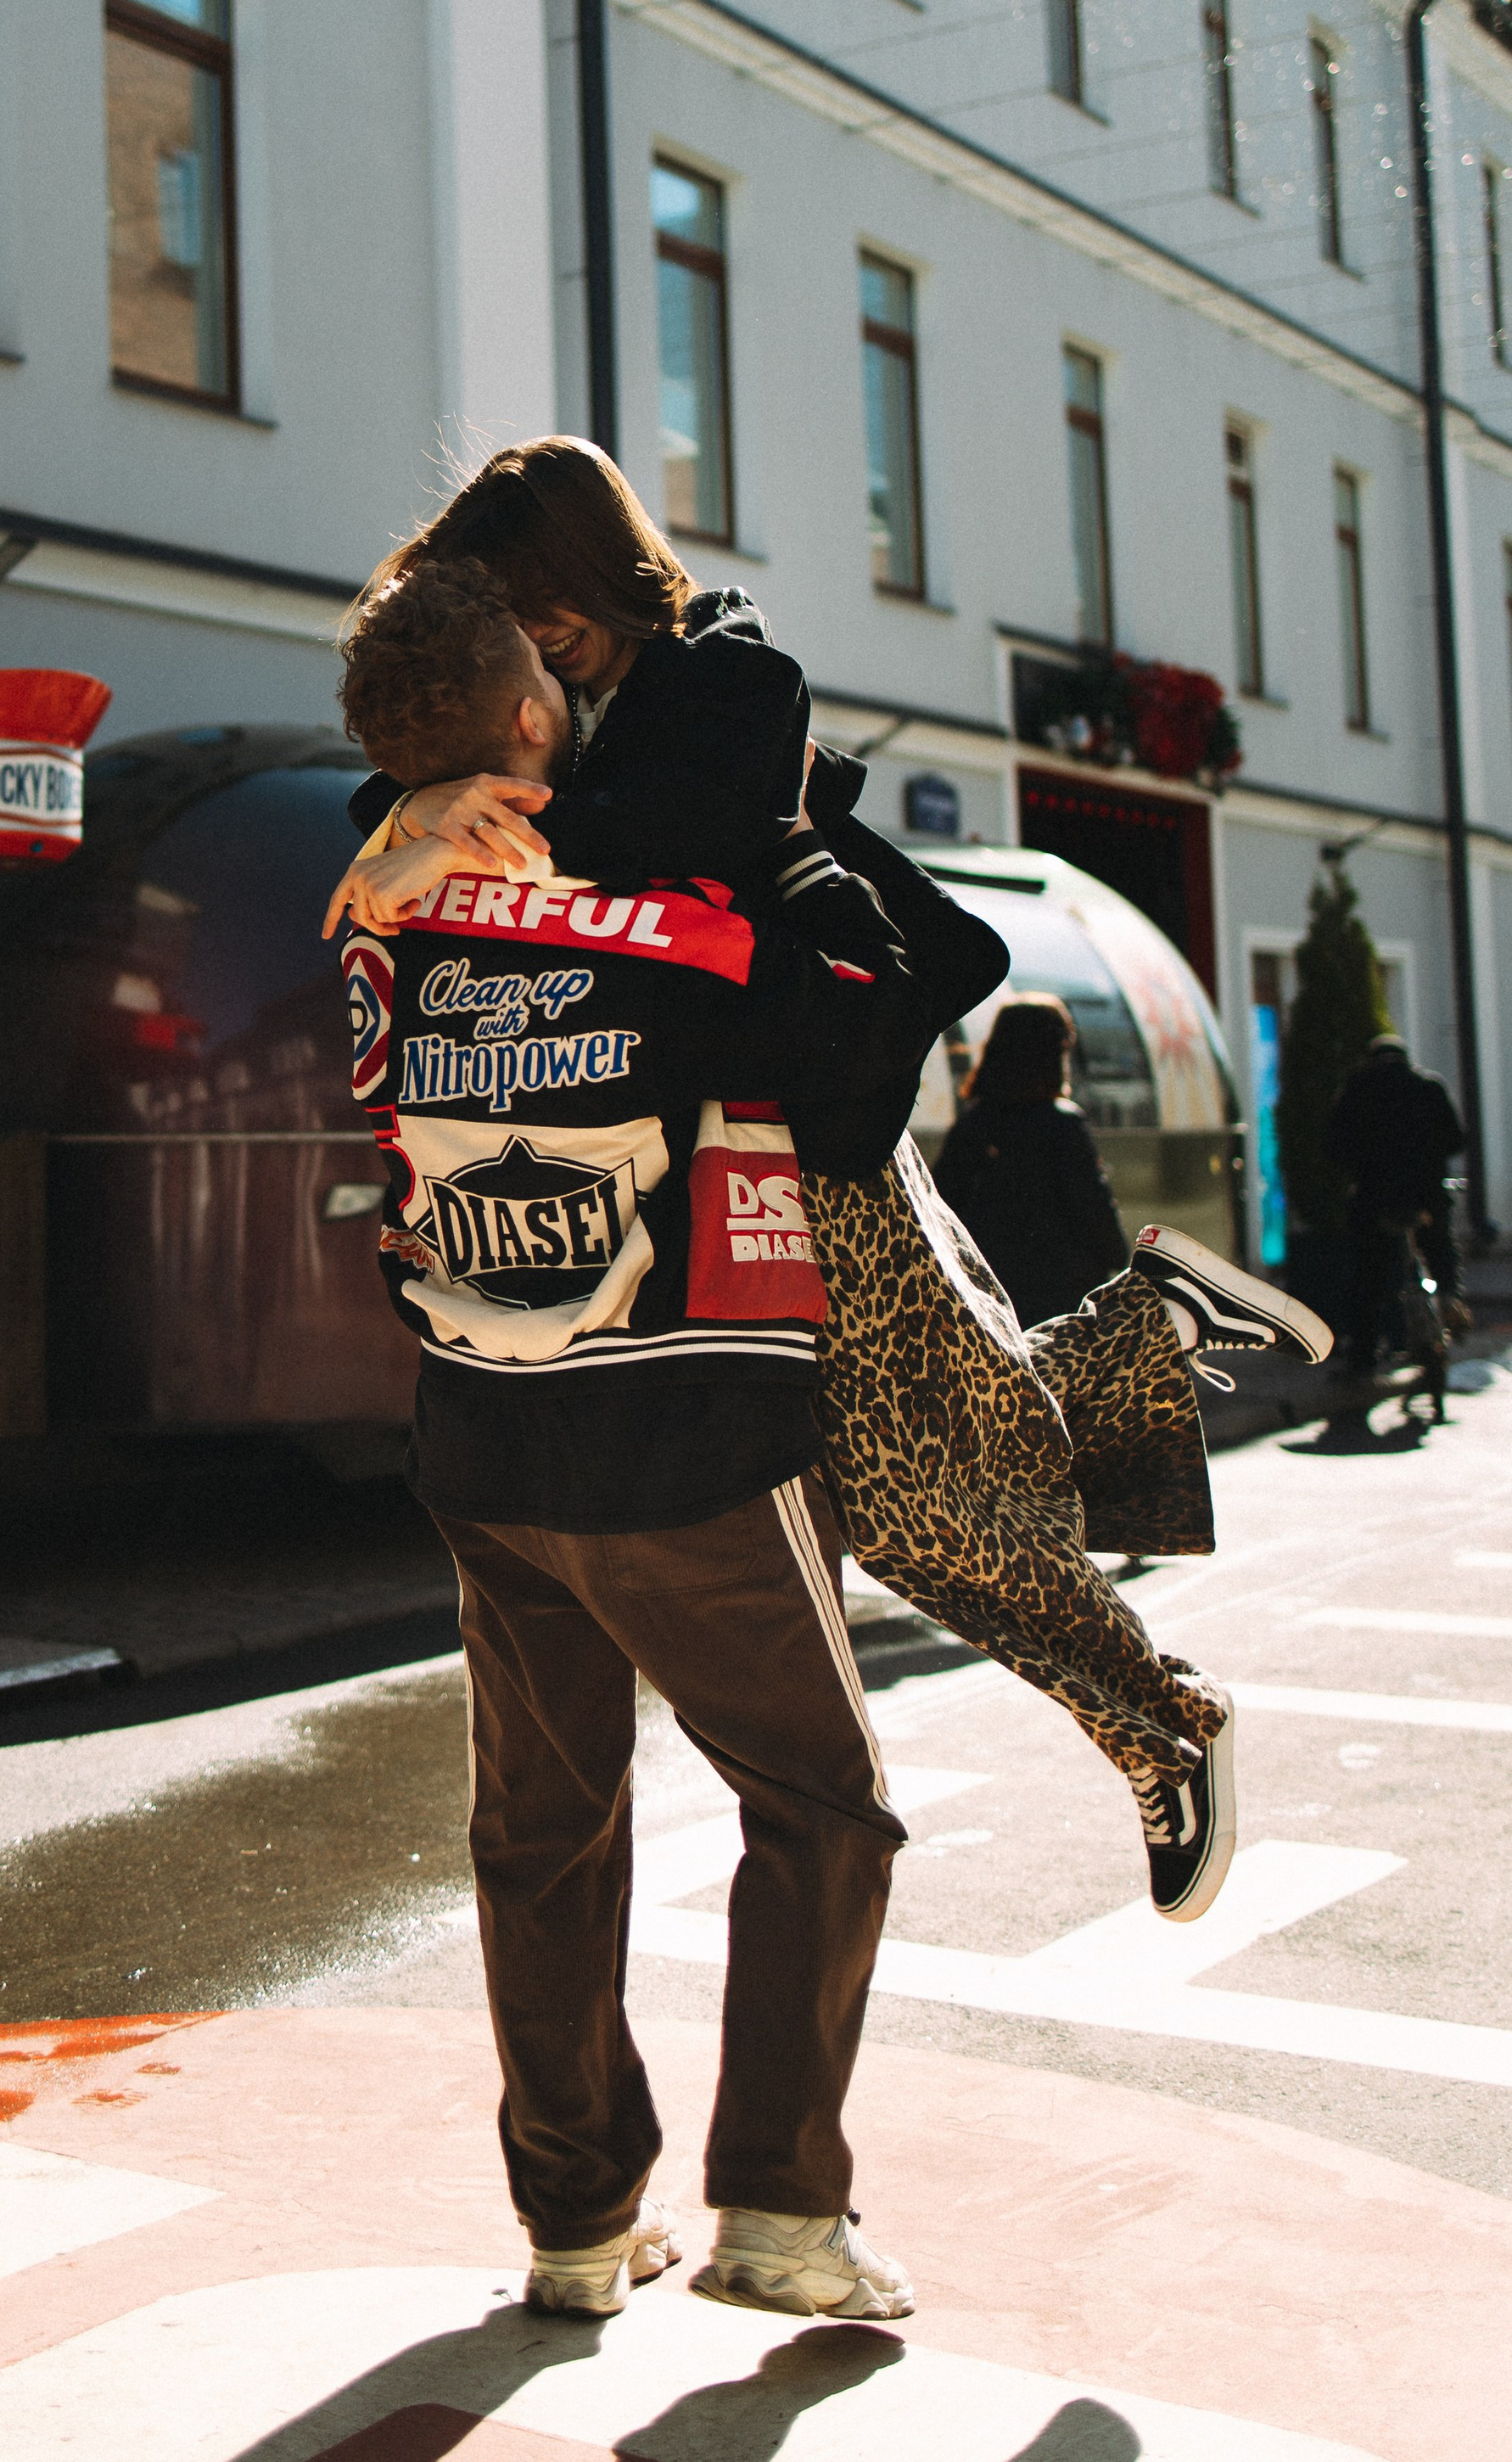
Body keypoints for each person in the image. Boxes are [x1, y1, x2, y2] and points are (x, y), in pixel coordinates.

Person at [328, 438, 1332, 1923]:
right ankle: (1149, 1347)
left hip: (808, 1157)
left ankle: (1164, 1722)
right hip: (700, 1184)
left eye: (513, 609)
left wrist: (443, 835)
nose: (505, 650)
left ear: (571, 601)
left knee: (923, 1506)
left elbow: (619, 875)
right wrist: (409, 818)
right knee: (921, 1470)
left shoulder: (723, 689)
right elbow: (423, 831)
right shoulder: (552, 723)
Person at [337, 554, 938, 2327]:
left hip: (479, 1436)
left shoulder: (380, 912)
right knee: (823, 1804)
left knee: (541, 1834)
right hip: (681, 1427)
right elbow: (850, 1071)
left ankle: (576, 2227)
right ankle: (776, 2212)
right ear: (535, 710)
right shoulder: (679, 914)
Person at [933, 995, 1129, 1326]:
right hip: (1061, 1317)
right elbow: (1102, 1230)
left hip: (987, 1311)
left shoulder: (972, 1127)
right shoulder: (1063, 1127)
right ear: (1055, 1056)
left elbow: (940, 1214)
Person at [1325, 1033, 1468, 1377]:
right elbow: (1455, 1141)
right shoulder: (1429, 1087)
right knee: (1439, 1250)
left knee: (1368, 1278)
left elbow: (1334, 1148)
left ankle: (1363, 1354)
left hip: (1377, 1201)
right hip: (1427, 1198)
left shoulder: (1358, 1088)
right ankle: (1449, 1298)